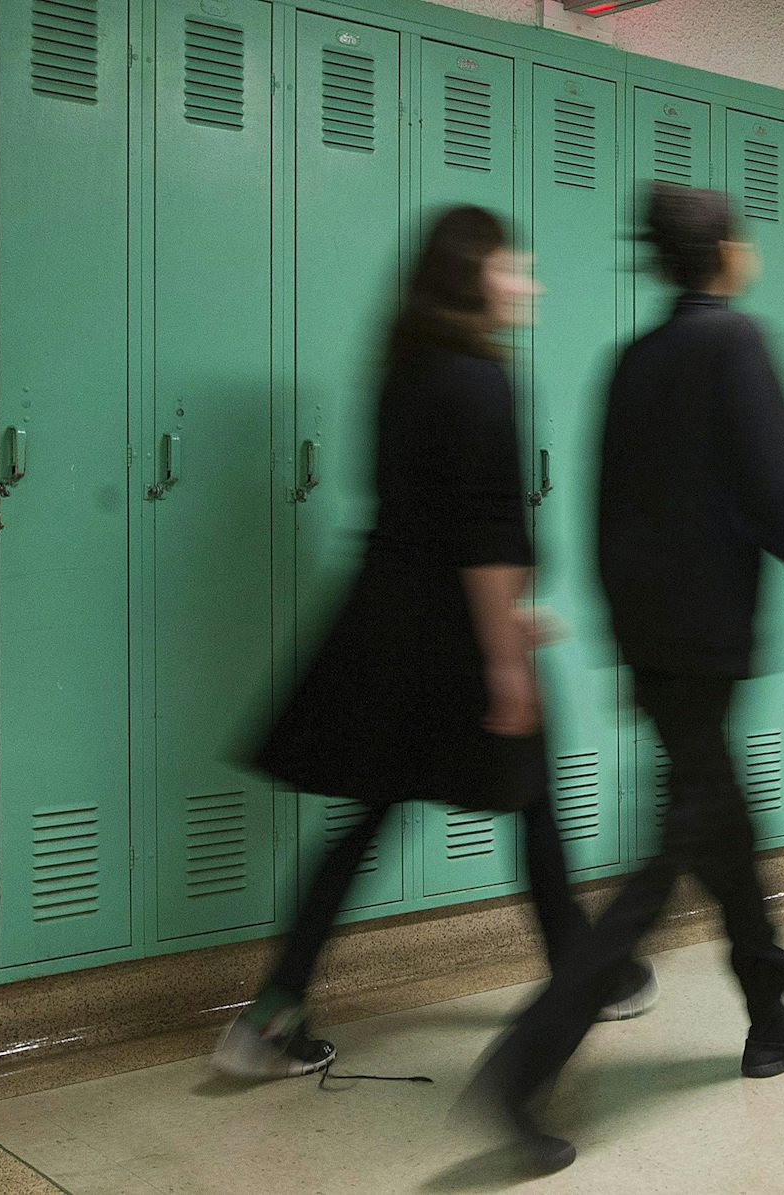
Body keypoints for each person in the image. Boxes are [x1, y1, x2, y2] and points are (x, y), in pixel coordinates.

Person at [469, 183, 784, 1171]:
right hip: (708, 639)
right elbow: (779, 482)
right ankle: (522, 1066)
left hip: (651, 642)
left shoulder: (632, 360)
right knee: (670, 858)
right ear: (724, 251)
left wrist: (623, 639)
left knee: (724, 817)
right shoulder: (735, 343)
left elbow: (603, 510)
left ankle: (770, 1015)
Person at [212, 206, 654, 1081]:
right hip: (455, 637)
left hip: (385, 628)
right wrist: (503, 658)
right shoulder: (481, 378)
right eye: (511, 266)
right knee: (532, 797)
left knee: (371, 814)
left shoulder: (404, 370)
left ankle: (270, 1013)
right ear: (472, 276)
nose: (526, 281)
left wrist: (500, 619)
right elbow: (485, 534)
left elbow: (424, 515)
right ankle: (584, 976)